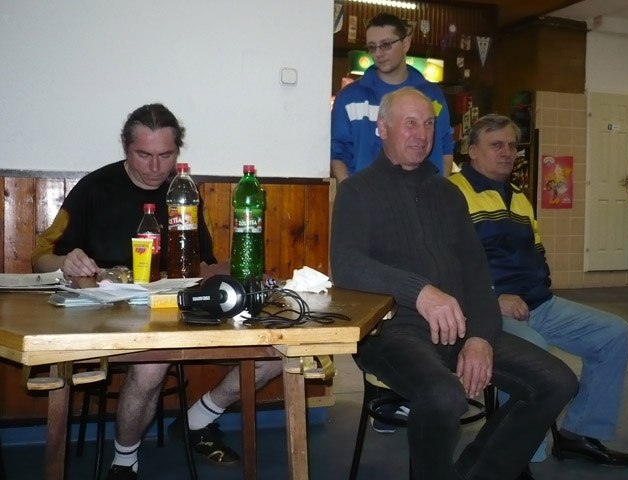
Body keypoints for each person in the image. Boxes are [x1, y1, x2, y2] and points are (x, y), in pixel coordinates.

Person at [330, 87, 577, 480]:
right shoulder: (356, 192)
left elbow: (477, 274)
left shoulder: (448, 194)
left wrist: (480, 337)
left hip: (459, 328)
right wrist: (420, 292)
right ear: (383, 128)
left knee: (557, 381)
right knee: (444, 396)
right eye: (410, 123)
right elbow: (347, 266)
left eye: (428, 124)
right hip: (391, 333)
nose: (421, 134)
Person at [32, 103, 282, 480]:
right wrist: (66, 262)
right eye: (143, 155)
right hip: (108, 315)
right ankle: (124, 460)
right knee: (152, 365)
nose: (154, 167)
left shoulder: (184, 193)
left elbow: (203, 265)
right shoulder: (94, 189)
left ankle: (199, 418)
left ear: (177, 152)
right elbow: (39, 258)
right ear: (125, 148)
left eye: (165, 155)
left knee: (279, 347)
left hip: (175, 306)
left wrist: (240, 271)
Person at [449, 114, 628, 468]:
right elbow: (444, 265)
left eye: (511, 145)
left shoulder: (519, 197)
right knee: (532, 350)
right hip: (485, 310)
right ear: (472, 151)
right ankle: (517, 455)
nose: (507, 152)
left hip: (537, 304)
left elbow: (537, 252)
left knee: (614, 334)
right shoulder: (452, 194)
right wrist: (493, 299)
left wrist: (539, 288)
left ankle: (578, 434)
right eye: (496, 145)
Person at [331, 13, 454, 183]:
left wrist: (438, 190)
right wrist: (350, 191)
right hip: (367, 195)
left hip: (422, 195)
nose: (378, 53)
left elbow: (446, 148)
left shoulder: (433, 96)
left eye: (386, 45)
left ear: (406, 43)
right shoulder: (349, 97)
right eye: (372, 47)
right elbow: (337, 152)